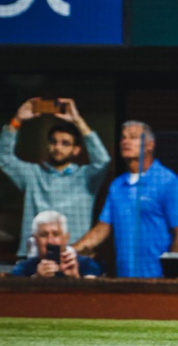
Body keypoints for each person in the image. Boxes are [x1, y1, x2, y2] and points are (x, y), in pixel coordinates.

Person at [73, 121, 178, 278]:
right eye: (123, 138)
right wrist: (69, 251)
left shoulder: (168, 182)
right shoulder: (117, 185)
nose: (125, 141)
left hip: (158, 280)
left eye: (133, 137)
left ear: (150, 145)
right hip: (124, 279)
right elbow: (102, 229)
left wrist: (170, 275)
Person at [0, 98, 111, 257]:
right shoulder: (32, 174)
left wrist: (77, 120)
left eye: (65, 143)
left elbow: (103, 160)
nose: (58, 147)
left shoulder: (86, 177)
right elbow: (4, 158)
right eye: (53, 142)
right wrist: (17, 120)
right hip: (33, 258)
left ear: (76, 150)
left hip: (73, 256)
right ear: (48, 145)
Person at [12, 210, 101, 278]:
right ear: (35, 240)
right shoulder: (23, 268)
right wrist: (36, 279)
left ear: (66, 238)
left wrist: (75, 277)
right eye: (44, 235)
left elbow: (96, 299)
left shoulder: (87, 264)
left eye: (56, 234)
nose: (50, 241)